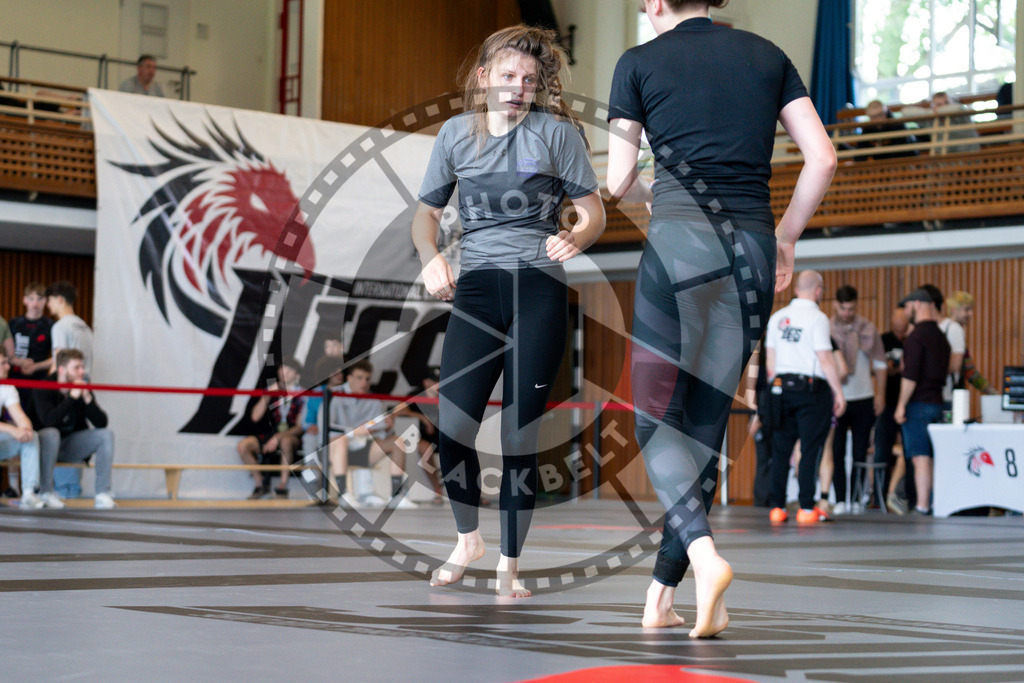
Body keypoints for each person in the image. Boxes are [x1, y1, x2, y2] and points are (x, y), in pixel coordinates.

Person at [605, 0, 836, 637]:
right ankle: (661, 595)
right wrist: (787, 238)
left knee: (655, 422)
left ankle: (706, 560)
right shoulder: (768, 56)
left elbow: (620, 179)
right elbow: (823, 159)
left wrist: (661, 186)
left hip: (681, 242)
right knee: (704, 425)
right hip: (754, 249)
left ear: (654, 2)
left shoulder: (638, 62)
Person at [412, 24, 605, 598]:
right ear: (483, 79)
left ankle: (509, 563)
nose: (518, 87)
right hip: (476, 289)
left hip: (538, 289)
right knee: (453, 425)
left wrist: (578, 235)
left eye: (529, 79)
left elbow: (592, 213)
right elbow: (425, 216)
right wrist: (430, 256)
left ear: (538, 85)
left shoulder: (557, 134)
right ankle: (467, 537)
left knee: (520, 434)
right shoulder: (453, 135)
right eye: (507, 76)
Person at [765, 272, 847, 525]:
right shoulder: (818, 318)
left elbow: (770, 363)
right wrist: (838, 392)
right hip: (810, 391)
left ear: (797, 289)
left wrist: (776, 389)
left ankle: (777, 508)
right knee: (810, 449)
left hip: (779, 388)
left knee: (780, 450)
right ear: (819, 291)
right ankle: (806, 508)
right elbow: (825, 357)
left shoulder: (777, 318)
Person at [829, 285, 887, 514]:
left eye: (851, 308)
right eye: (843, 308)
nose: (846, 313)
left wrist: (880, 393)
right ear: (835, 305)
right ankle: (841, 498)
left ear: (856, 305)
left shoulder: (867, 329)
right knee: (837, 449)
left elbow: (881, 364)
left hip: (863, 396)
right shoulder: (827, 329)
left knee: (860, 451)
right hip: (838, 398)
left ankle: (856, 497)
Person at [894, 287, 951, 516]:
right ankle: (937, 503)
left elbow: (910, 376)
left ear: (917, 304)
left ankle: (922, 505)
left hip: (918, 404)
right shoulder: (941, 336)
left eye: (907, 307)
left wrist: (900, 405)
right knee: (934, 456)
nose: (906, 312)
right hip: (938, 401)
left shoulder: (916, 337)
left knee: (920, 456)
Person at [34, 349, 116, 509]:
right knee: (52, 434)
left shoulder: (81, 388)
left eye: (82, 367)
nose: (81, 372)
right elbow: (49, 421)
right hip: (44, 446)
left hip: (69, 445)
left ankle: (102, 493)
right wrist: (72, 398)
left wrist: (87, 399)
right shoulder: (43, 388)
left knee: (106, 435)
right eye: (77, 368)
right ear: (62, 370)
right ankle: (46, 492)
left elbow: (101, 423)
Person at [327, 360, 411, 509]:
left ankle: (396, 495)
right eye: (359, 377)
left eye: (367, 379)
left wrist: (387, 427)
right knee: (341, 441)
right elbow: (326, 428)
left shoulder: (374, 401)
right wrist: (353, 432)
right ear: (349, 378)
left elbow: (379, 430)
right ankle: (343, 495)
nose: (364, 383)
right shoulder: (335, 395)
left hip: (364, 449)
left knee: (397, 441)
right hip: (335, 450)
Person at [45, 280, 94, 498]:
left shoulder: (60, 326)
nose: (48, 307)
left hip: (67, 390)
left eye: (49, 301)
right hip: (84, 388)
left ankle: (64, 492)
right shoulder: (85, 327)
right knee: (75, 435)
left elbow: (60, 362)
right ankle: (71, 490)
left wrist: (44, 390)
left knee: (61, 435)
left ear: (59, 299)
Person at [237, 357, 306, 499]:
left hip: (291, 434)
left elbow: (300, 427)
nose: (284, 372)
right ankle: (260, 484)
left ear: (297, 375)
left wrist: (278, 437)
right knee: (243, 446)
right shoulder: (272, 390)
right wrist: (267, 395)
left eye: (289, 369)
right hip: (271, 432)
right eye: (282, 368)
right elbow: (255, 417)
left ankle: (282, 485)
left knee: (286, 442)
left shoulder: (303, 395)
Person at [0, 347, 46, 509]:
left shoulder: (7, 388)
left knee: (31, 436)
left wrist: (25, 429)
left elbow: (20, 417)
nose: (8, 367)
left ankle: (29, 493)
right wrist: (13, 430)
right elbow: (12, 428)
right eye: (3, 363)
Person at [878, 308, 911, 514]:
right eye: (897, 329)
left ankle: (904, 495)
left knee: (909, 452)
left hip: (908, 402)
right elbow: (879, 368)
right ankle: (880, 497)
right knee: (882, 451)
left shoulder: (912, 340)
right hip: (888, 402)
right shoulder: (884, 340)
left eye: (903, 329)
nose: (900, 333)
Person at [8, 282, 54, 428]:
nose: (35, 303)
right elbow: (4, 354)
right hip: (14, 382)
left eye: (39, 299)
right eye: (31, 298)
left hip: (39, 383)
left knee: (35, 423)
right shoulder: (14, 323)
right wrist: (20, 362)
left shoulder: (50, 325)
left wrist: (36, 366)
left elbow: (58, 357)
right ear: (24, 300)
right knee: (13, 421)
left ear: (45, 301)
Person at [946, 291, 998, 396]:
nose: (971, 314)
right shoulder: (956, 329)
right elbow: (969, 370)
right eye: (966, 310)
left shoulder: (943, 327)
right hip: (950, 392)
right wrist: (991, 391)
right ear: (954, 310)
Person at [921, 284, 964, 406]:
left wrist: (928, 374)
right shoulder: (921, 329)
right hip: (924, 396)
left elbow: (956, 365)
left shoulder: (952, 328)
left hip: (944, 396)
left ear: (931, 305)